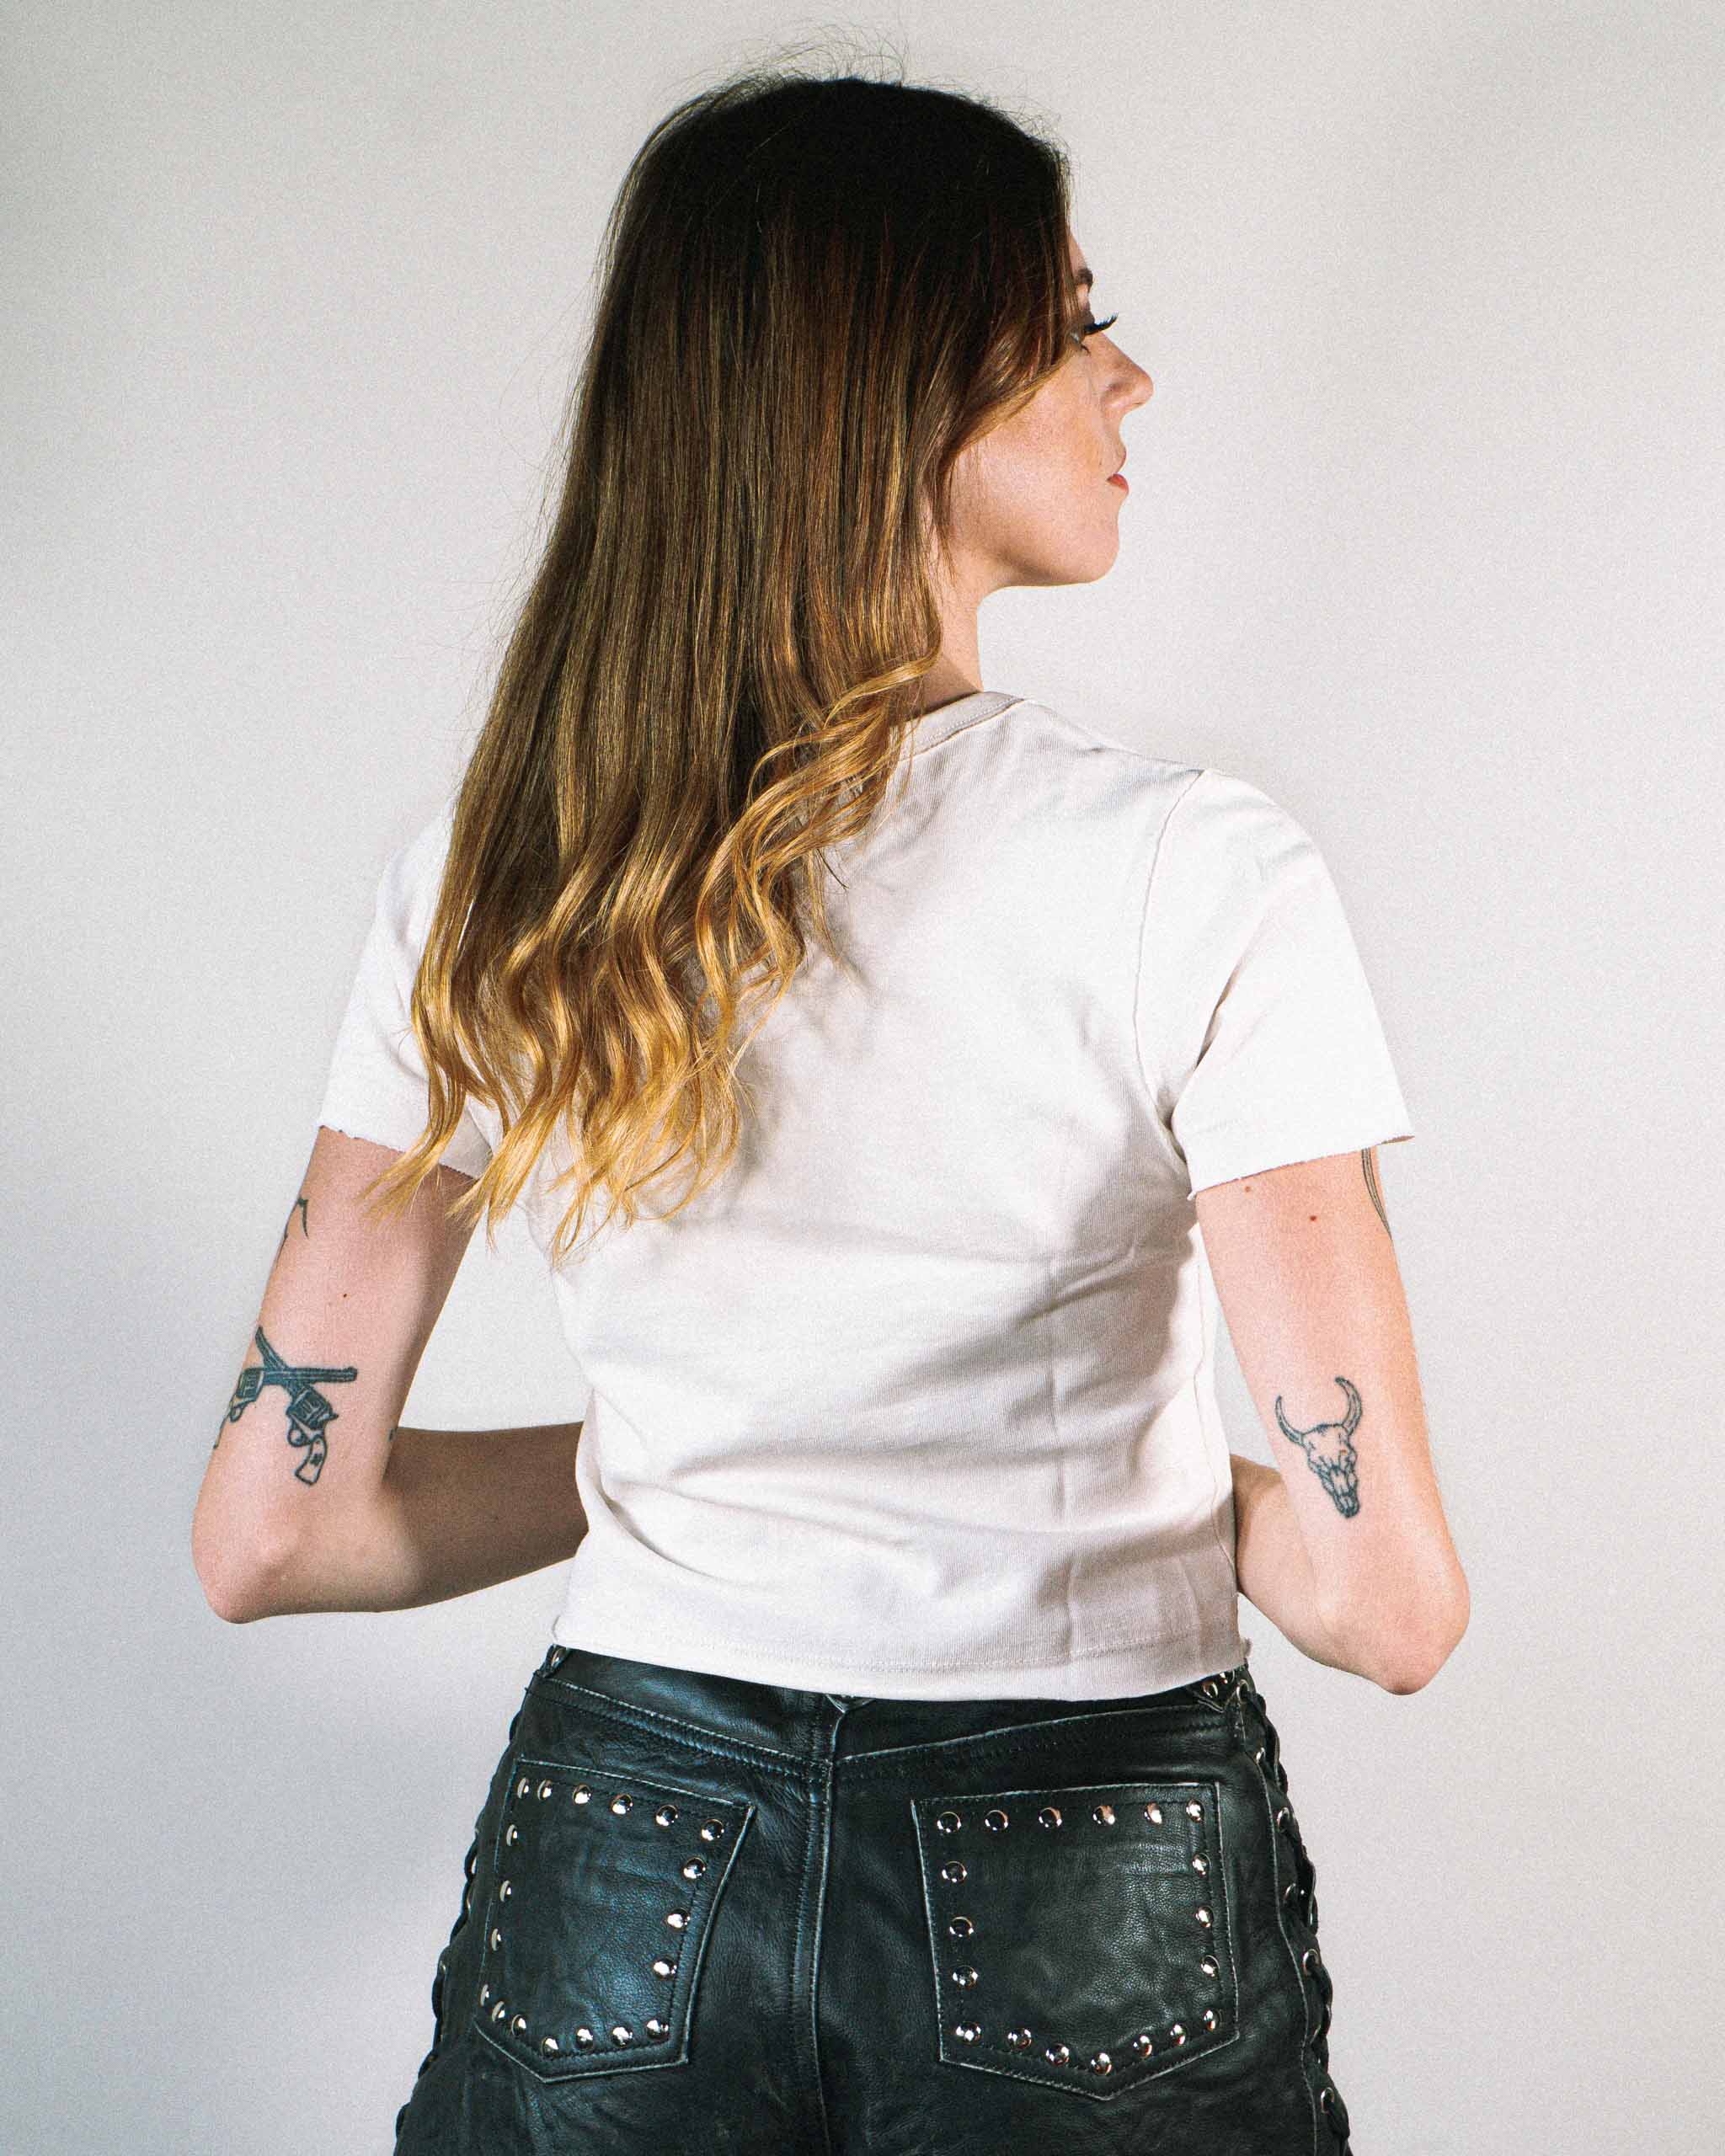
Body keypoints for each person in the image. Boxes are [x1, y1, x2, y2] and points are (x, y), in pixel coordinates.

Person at [191, 60, 1468, 2156]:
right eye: (1070, 320)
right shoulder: (1192, 869)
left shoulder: (501, 866)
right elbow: (1381, 1599)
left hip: (624, 1847)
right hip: (1079, 1850)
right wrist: (1142, 1499)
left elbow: (275, 1525)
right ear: (902, 383)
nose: (1127, 377)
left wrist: (720, 1453)